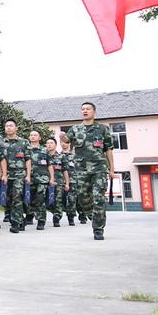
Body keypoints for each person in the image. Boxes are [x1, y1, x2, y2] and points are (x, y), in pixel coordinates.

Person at [67, 102, 116, 240]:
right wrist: (62, 137)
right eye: (83, 109)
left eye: (88, 109)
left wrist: (112, 169)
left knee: (98, 198)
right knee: (83, 198)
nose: (85, 111)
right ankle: (93, 217)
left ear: (94, 112)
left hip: (99, 169)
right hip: (81, 169)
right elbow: (66, 140)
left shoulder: (103, 129)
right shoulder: (75, 129)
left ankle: (98, 229)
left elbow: (108, 149)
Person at [0, 118, 31, 233]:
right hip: (6, 174)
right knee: (8, 199)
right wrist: (1, 173)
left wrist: (28, 175)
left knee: (17, 197)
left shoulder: (24, 142)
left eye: (11, 125)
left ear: (16, 128)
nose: (8, 128)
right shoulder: (1, 142)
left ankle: (15, 223)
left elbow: (28, 159)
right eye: (6, 126)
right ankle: (20, 219)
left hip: (19, 174)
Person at [26, 129, 53, 230]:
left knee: (40, 199)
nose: (33, 137)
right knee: (29, 198)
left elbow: (50, 165)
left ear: (40, 138)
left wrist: (52, 178)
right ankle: (29, 215)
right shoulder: (26, 149)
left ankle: (41, 221)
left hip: (42, 178)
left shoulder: (45, 150)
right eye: (31, 135)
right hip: (30, 178)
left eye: (35, 135)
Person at [45, 136, 70, 227]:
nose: (49, 145)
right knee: (44, 200)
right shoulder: (43, 156)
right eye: (48, 143)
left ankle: (57, 218)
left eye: (51, 143)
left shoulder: (61, 157)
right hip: (44, 181)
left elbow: (65, 170)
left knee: (58, 201)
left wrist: (67, 183)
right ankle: (51, 211)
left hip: (58, 182)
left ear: (55, 145)